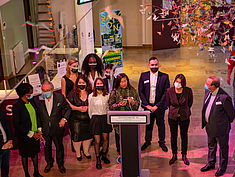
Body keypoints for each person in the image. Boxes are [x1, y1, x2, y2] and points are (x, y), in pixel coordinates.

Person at [201, 76, 234, 176]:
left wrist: (222, 124)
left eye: (207, 84)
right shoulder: (208, 93)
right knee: (211, 146)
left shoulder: (224, 98)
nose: (205, 85)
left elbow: (231, 115)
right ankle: (211, 163)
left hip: (221, 129)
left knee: (223, 148)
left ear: (214, 86)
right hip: (210, 126)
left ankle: (222, 167)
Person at [35, 81, 70, 174]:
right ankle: (49, 163)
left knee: (59, 146)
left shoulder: (60, 98)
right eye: (43, 90)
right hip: (45, 129)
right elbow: (37, 116)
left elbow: (68, 109)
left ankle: (60, 164)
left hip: (57, 128)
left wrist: (64, 119)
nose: (45, 92)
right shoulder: (39, 100)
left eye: (47, 90)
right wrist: (39, 129)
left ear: (52, 90)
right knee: (47, 147)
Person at [138, 57, 170, 152]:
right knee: (148, 125)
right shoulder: (143, 76)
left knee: (161, 124)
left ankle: (162, 142)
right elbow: (141, 91)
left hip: (159, 107)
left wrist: (157, 106)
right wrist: (146, 105)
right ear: (149, 65)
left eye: (156, 64)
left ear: (158, 65)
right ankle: (147, 141)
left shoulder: (164, 76)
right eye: (152, 65)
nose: (154, 66)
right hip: (148, 106)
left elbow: (166, 92)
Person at [13, 83, 43, 177]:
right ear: (24, 94)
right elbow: (17, 124)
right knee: (25, 155)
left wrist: (39, 130)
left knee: (35, 153)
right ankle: (27, 174)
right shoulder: (17, 106)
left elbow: (37, 116)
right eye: (30, 93)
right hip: (25, 135)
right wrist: (31, 133)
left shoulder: (32, 101)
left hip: (36, 133)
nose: (32, 94)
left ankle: (36, 172)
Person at [108, 73, 140, 155]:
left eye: (125, 81)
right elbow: (110, 106)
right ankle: (120, 152)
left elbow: (137, 105)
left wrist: (132, 102)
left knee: (131, 138)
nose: (123, 83)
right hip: (119, 121)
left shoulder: (133, 90)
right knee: (119, 138)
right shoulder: (114, 92)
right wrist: (118, 105)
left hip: (131, 119)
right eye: (121, 82)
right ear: (118, 82)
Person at [166, 74, 193, 165]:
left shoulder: (188, 91)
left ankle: (184, 155)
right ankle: (174, 154)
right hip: (172, 116)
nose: (177, 84)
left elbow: (190, 103)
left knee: (184, 135)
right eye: (176, 81)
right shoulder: (169, 91)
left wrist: (183, 110)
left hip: (184, 116)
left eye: (180, 82)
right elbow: (168, 103)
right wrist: (174, 110)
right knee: (173, 136)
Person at [67, 74, 93, 161]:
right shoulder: (73, 93)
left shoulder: (90, 92)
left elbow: (95, 103)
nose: (81, 84)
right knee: (76, 137)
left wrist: (88, 108)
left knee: (87, 136)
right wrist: (78, 108)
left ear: (87, 83)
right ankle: (78, 153)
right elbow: (68, 105)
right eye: (80, 82)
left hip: (88, 119)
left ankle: (86, 151)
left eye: (83, 82)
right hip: (76, 120)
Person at [88, 78, 112, 169]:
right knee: (97, 141)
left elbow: (108, 108)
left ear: (103, 85)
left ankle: (104, 155)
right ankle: (98, 158)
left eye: (100, 83)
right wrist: (93, 119)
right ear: (95, 85)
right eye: (97, 83)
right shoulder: (91, 96)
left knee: (105, 139)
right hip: (95, 118)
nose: (99, 85)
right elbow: (90, 110)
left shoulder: (107, 95)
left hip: (105, 118)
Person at [61, 58, 79, 153]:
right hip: (70, 105)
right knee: (72, 126)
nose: (75, 68)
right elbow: (63, 94)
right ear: (69, 66)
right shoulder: (64, 79)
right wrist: (69, 105)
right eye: (74, 66)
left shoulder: (80, 76)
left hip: (79, 103)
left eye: (77, 66)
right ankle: (73, 143)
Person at [0, 108, 13, 177]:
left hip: (6, 145)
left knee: (5, 170)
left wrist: (10, 140)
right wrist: (1, 146)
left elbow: (7, 124)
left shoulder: (1, 110)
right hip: (2, 146)